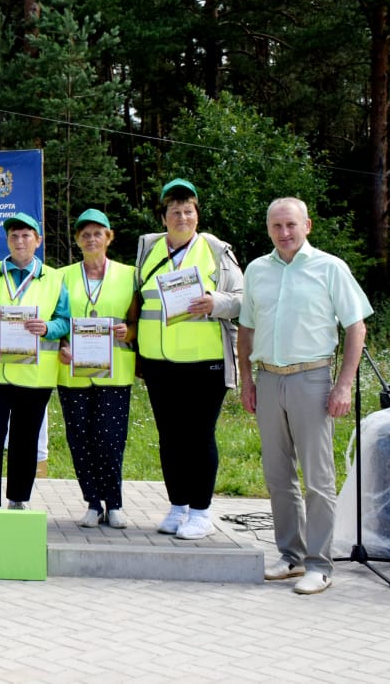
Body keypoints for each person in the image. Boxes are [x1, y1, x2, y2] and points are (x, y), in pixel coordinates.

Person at [239, 197, 371, 596]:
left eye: (291, 225)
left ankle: (320, 564)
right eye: (276, 226)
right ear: (268, 229)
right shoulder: (257, 270)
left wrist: (343, 383)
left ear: (307, 225)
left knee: (317, 478)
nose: (284, 233)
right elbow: (246, 329)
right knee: (278, 477)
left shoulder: (330, 268)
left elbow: (356, 327)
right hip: (268, 378)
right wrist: (247, 380)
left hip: (311, 379)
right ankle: (291, 557)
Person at [135, 178, 243, 539]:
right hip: (159, 362)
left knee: (199, 436)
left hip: (204, 362)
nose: (182, 217)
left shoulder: (215, 249)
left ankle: (201, 511)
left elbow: (243, 299)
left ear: (197, 215)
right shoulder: (148, 249)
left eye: (188, 211)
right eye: (174, 211)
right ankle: (177, 505)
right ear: (163, 217)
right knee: (170, 436)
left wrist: (216, 302)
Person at [0, 213, 70, 510]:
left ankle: (18, 499)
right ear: (7, 241)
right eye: (14, 235)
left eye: (26, 235)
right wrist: (7, 324)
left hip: (34, 375)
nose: (20, 240)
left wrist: (48, 329)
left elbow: (64, 320)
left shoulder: (55, 277)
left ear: (38, 241)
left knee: (25, 441)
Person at [56, 210, 137, 529]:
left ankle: (114, 503)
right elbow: (58, 319)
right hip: (73, 371)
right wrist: (62, 346)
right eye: (85, 234)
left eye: (98, 233)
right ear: (77, 240)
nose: (91, 239)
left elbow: (136, 322)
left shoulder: (129, 274)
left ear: (109, 237)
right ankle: (92, 502)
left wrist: (127, 333)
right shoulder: (61, 276)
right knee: (80, 438)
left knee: (110, 438)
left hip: (114, 371)